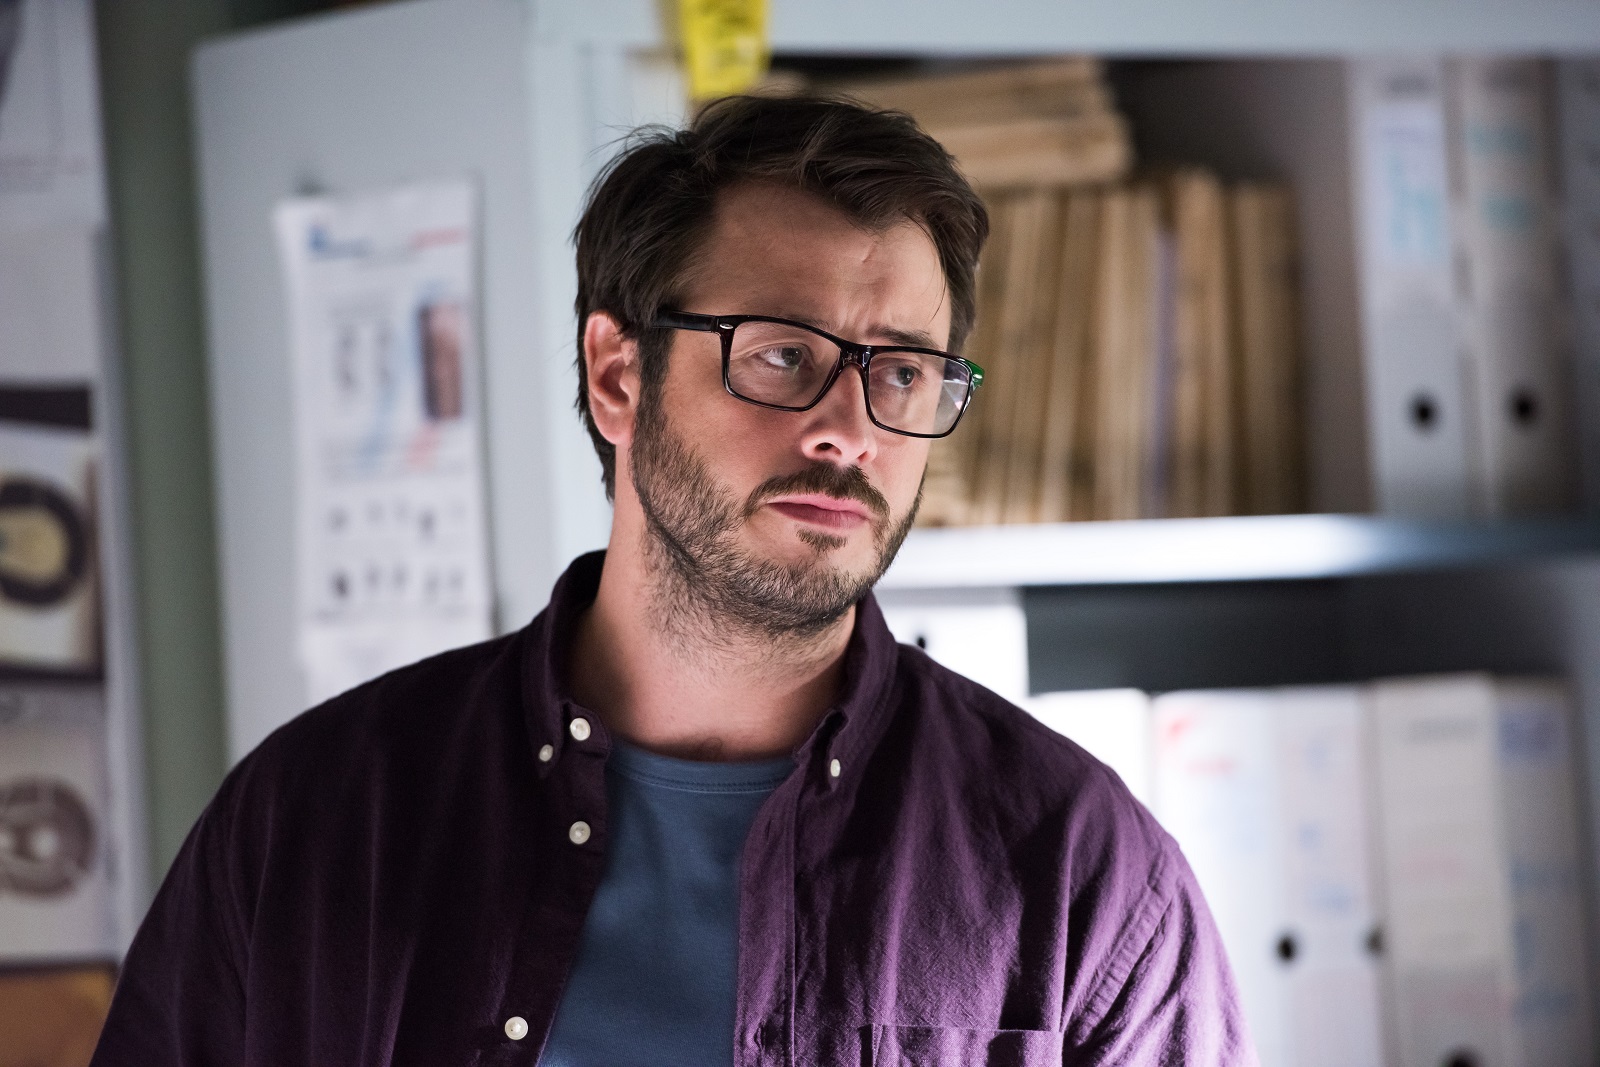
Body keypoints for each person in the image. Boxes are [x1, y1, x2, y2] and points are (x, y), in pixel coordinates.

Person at [92, 94, 1255, 1066]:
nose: (851, 428)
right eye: (782, 356)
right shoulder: (317, 814)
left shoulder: (1080, 871)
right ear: (616, 374)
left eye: (902, 372)